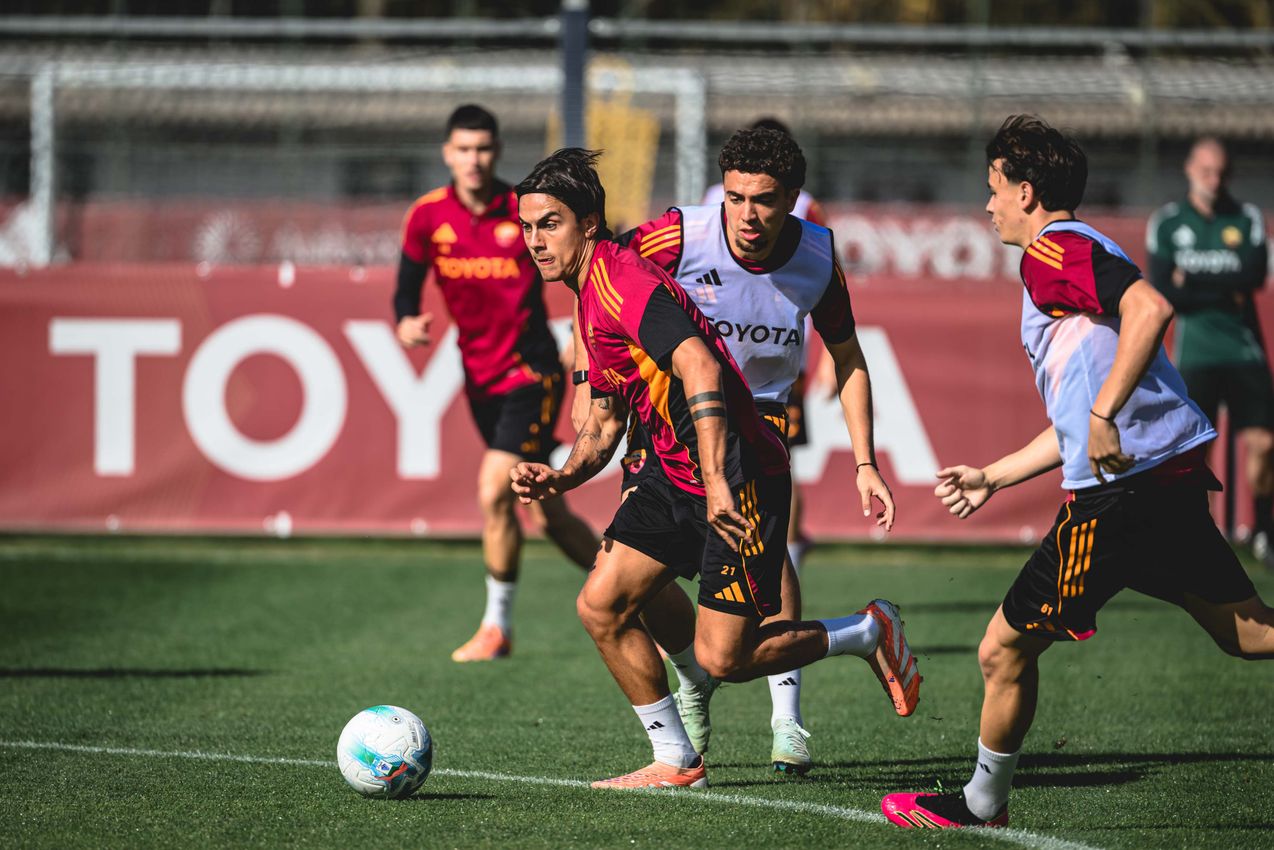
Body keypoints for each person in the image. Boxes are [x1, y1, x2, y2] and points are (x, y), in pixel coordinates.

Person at [881, 115, 1274, 831]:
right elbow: (1080, 413)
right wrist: (996, 476)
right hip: (1161, 482)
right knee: (1246, 635)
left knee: (1001, 648)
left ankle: (981, 804)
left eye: (994, 189)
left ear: (1027, 192)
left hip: (1120, 497)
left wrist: (1103, 416)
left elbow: (1151, 308)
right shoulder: (1074, 252)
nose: (988, 204)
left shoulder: (1050, 252)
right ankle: (983, 802)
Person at [512, 148, 919, 791]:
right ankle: (676, 759)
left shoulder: (623, 281)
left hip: (741, 475)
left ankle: (867, 631)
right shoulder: (589, 293)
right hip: (672, 473)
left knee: (723, 657)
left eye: (550, 224)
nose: (535, 241)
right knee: (602, 605)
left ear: (590, 224)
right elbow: (606, 421)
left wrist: (720, 481)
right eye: (528, 227)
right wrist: (562, 476)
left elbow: (700, 365)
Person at [608, 126, 897, 777]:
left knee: (762, 588)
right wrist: (595, 386)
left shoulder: (817, 258)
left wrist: (865, 463)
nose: (747, 215)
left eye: (764, 200)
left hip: (756, 437)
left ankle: (787, 717)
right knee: (622, 581)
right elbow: (604, 278)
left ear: (795, 198)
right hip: (667, 427)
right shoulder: (682, 234)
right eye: (735, 198)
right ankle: (692, 680)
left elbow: (849, 358)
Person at [394, 105, 597, 663]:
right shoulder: (427, 216)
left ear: (497, 151)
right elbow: (406, 287)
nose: (473, 159)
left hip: (530, 373)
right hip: (478, 376)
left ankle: (496, 627)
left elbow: (586, 272)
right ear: (447, 153)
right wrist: (405, 320)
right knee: (547, 510)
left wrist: (580, 342)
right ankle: (629, 585)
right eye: (463, 149)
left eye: (483, 148)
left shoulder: (525, 212)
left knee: (495, 489)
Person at [1146, 137, 1274, 566]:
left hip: (1244, 352)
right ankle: (1200, 537)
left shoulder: (1247, 218)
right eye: (1206, 171)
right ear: (1189, 170)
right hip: (1195, 355)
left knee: (1265, 444)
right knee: (1195, 455)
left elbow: (1253, 276)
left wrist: (1193, 284)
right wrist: (1223, 288)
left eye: (1220, 172)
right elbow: (1165, 292)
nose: (1213, 180)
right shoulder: (1167, 223)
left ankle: (1264, 531)